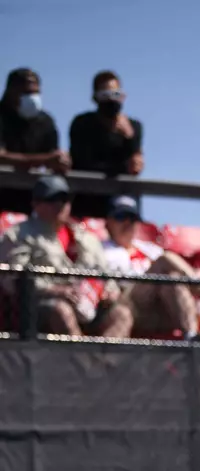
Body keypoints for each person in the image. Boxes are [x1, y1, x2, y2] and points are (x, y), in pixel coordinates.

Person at [101, 195, 200, 340]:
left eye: (132, 218)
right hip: (128, 306)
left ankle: (191, 337)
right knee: (166, 260)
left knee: (173, 277)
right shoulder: (102, 250)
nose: (128, 223)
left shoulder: (149, 248)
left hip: (160, 309)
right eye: (121, 217)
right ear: (108, 222)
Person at [0, 175, 132, 338]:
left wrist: (110, 291)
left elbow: (105, 274)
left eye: (65, 199)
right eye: (52, 199)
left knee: (121, 314)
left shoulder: (87, 237)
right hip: (40, 307)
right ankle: (82, 361)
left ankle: (102, 363)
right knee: (61, 310)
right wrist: (55, 291)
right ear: (36, 204)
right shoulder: (18, 235)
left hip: (89, 304)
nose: (60, 205)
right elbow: (12, 281)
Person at [69, 71, 143, 219]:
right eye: (105, 95)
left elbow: (134, 167)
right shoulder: (82, 123)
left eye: (115, 94)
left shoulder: (134, 127)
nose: (111, 100)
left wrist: (129, 138)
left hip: (120, 201)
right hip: (86, 200)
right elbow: (81, 161)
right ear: (95, 98)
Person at [0, 68, 70, 214]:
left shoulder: (46, 121)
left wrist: (62, 161)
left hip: (34, 204)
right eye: (26, 93)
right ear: (10, 92)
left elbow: (53, 157)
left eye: (36, 93)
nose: (32, 98)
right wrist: (45, 159)